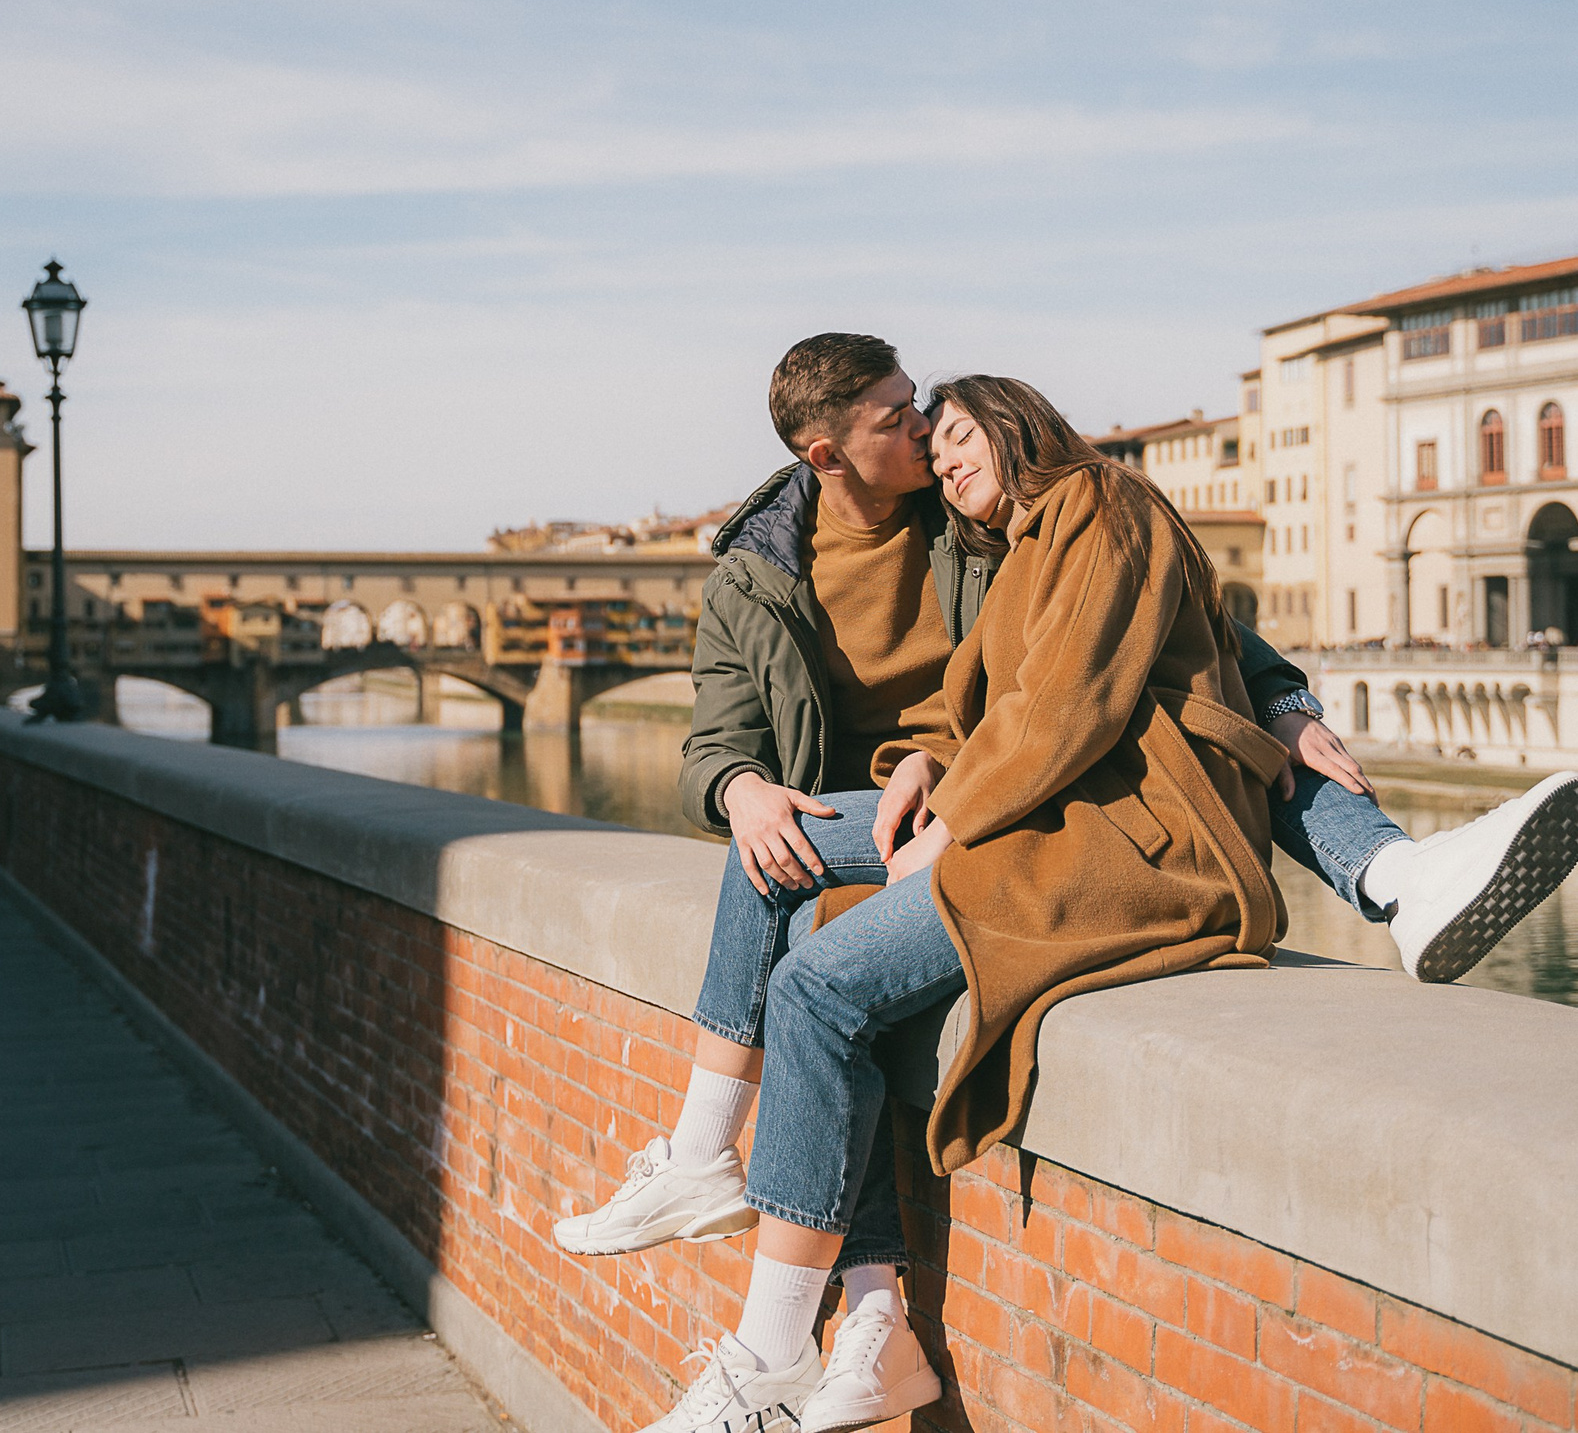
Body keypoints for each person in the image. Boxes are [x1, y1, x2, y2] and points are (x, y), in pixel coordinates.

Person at [554, 339, 1578, 1432]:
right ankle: (844, 1306)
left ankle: (750, 1280)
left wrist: (1282, 699)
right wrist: (755, 786)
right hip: (969, 798)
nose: (927, 439)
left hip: (1057, 817)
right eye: (904, 421)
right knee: (779, 876)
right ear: (827, 452)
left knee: (815, 970)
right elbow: (812, 724)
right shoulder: (773, 569)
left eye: (943, 422)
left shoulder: (1057, 509)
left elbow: (1135, 651)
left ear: (1013, 429)